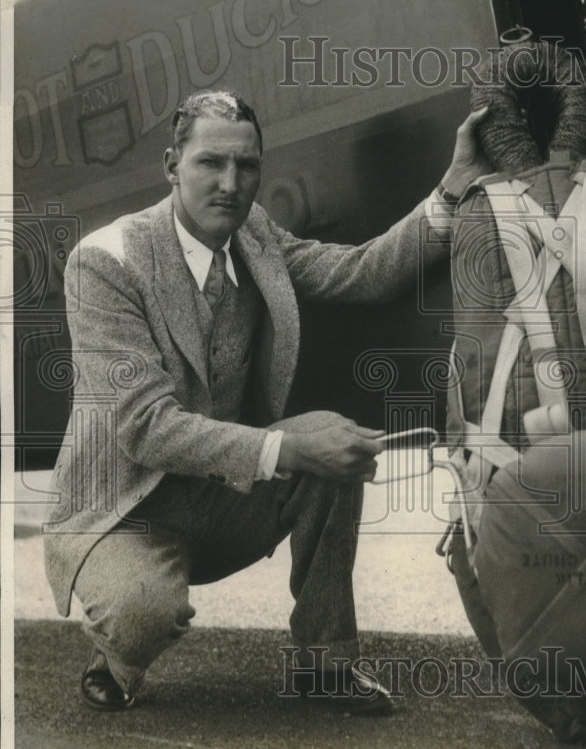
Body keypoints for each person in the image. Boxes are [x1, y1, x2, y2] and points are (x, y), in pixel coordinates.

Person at [43, 89, 489, 714]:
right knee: (144, 612)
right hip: (126, 508)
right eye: (210, 163)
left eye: (247, 166)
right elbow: (143, 427)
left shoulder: (254, 233)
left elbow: (359, 272)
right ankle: (116, 659)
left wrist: (452, 189)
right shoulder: (104, 262)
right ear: (172, 164)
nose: (231, 183)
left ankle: (323, 663)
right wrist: (286, 446)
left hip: (219, 495)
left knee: (331, 445)